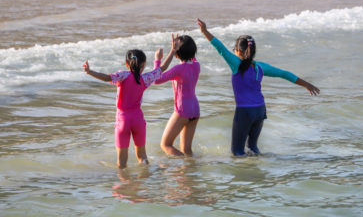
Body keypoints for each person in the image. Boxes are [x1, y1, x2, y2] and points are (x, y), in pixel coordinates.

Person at [197, 19, 320, 156]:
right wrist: (306, 84)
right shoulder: (260, 67)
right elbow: (283, 74)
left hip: (245, 111)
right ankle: (258, 173)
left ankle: (247, 175)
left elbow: (220, 48)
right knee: (252, 147)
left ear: (238, 51)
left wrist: (205, 32)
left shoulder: (236, 63)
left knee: (237, 151)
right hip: (260, 110)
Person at [83, 34, 181, 168]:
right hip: (138, 120)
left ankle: (124, 186)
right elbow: (163, 68)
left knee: (122, 163)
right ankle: (144, 182)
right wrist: (173, 50)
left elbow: (106, 78)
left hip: (122, 120)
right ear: (143, 65)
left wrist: (89, 71)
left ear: (126, 64)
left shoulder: (122, 76)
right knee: (143, 157)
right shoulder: (146, 78)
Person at [153, 35, 200, 157]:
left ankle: (185, 165)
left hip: (182, 110)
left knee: (166, 145)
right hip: (195, 109)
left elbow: (156, 80)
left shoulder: (178, 69)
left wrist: (158, 59)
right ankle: (190, 172)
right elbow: (190, 54)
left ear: (177, 53)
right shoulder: (196, 65)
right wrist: (177, 48)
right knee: (186, 150)